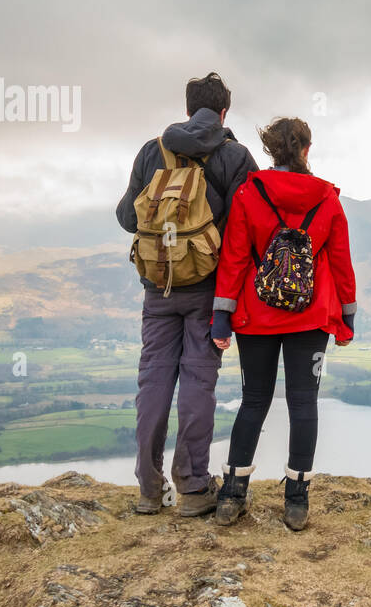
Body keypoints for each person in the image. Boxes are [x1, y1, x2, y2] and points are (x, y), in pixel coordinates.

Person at [115, 73, 256, 517]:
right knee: (199, 383)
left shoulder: (151, 151)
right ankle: (193, 489)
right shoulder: (235, 156)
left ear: (187, 107)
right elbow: (243, 233)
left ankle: (148, 490)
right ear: (224, 112)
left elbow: (125, 217)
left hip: (158, 289)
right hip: (208, 292)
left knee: (153, 381)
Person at [209, 116, 356, 529]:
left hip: (256, 318)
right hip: (309, 319)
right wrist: (346, 318)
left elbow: (235, 259)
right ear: (307, 150)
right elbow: (341, 262)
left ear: (272, 151)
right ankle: (296, 501)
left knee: (254, 399)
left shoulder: (248, 194)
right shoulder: (327, 199)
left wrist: (221, 318)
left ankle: (231, 495)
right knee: (303, 401)